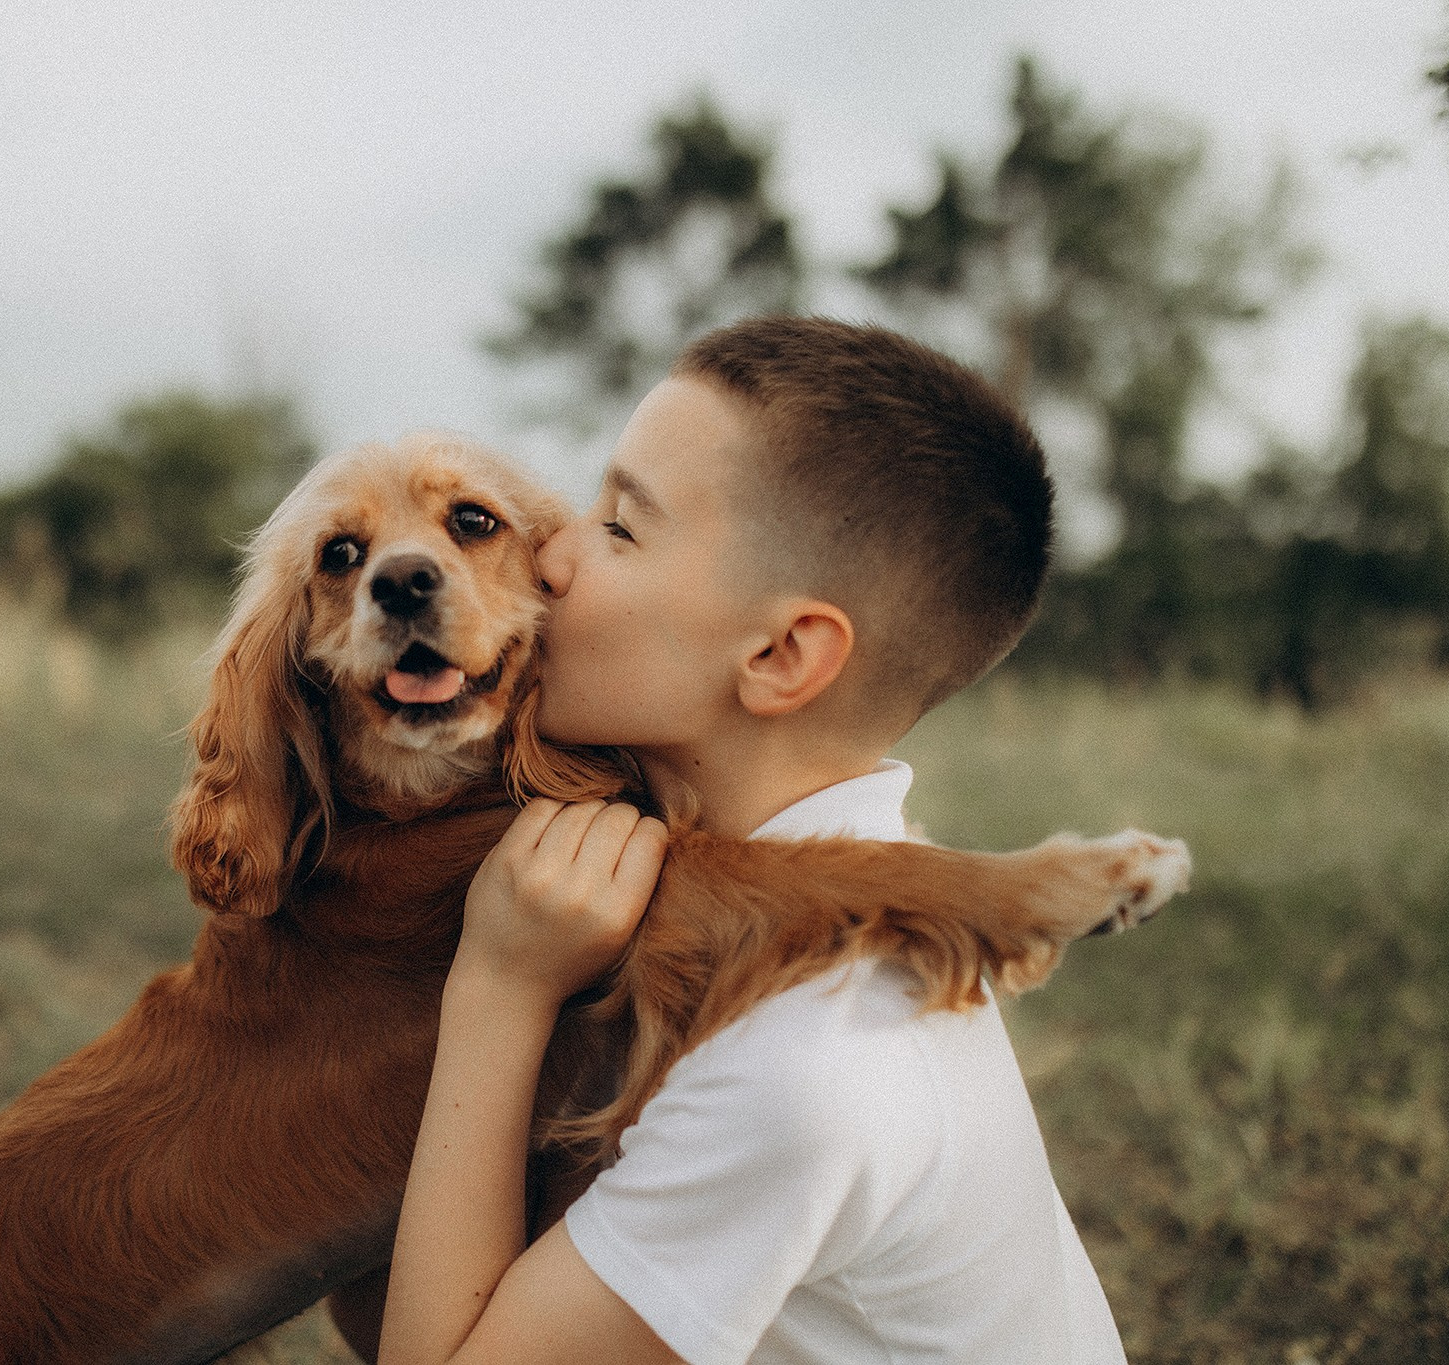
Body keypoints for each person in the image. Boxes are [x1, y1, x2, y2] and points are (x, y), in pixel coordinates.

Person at [375, 316, 1128, 1364]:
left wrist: (497, 988)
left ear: (778, 654)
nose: (549, 555)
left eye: (621, 530)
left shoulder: (802, 1062)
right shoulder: (830, 916)